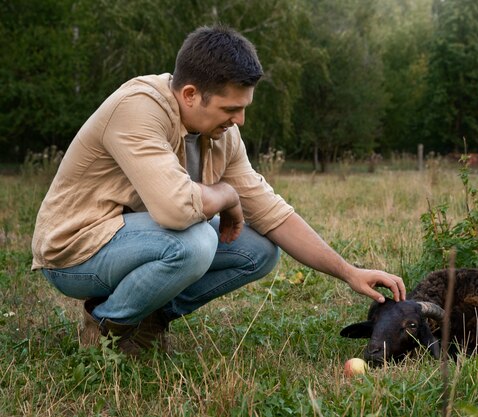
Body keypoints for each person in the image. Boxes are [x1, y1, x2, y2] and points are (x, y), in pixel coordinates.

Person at [31, 25, 406, 356]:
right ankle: (106, 324)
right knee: (193, 242)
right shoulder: (138, 108)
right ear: (191, 94)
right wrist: (226, 196)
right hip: (75, 253)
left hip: (135, 242)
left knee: (259, 250)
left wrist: (348, 271)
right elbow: (175, 211)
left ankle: (147, 320)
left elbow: (271, 212)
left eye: (244, 108)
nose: (240, 120)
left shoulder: (222, 133)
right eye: (231, 108)